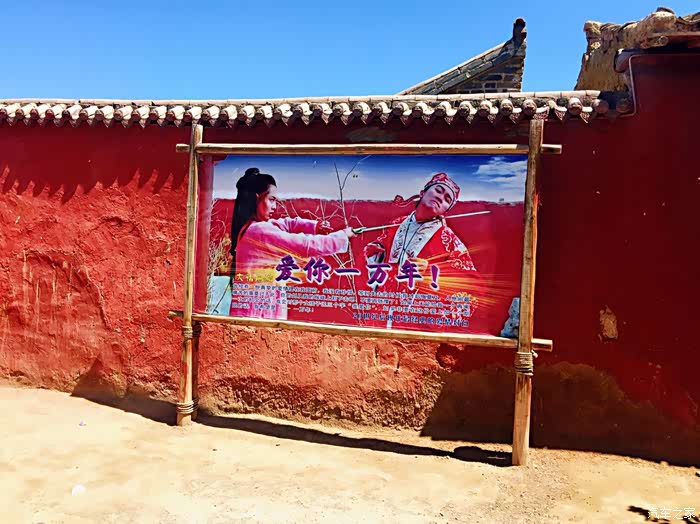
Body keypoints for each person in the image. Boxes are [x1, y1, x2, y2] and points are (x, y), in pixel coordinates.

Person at [229, 168, 354, 320]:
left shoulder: (250, 227)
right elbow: (304, 245)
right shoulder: (260, 231)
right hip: (257, 316)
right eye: (271, 200)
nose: (275, 206)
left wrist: (315, 226)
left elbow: (286, 223)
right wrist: (342, 236)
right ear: (257, 199)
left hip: (253, 312)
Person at [363, 172, 480, 330]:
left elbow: (471, 283)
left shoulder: (448, 239)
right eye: (438, 190)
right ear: (422, 193)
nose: (441, 197)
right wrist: (375, 251)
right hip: (381, 312)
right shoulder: (397, 224)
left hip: (414, 320)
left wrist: (431, 271)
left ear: (446, 210)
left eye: (447, 199)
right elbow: (381, 248)